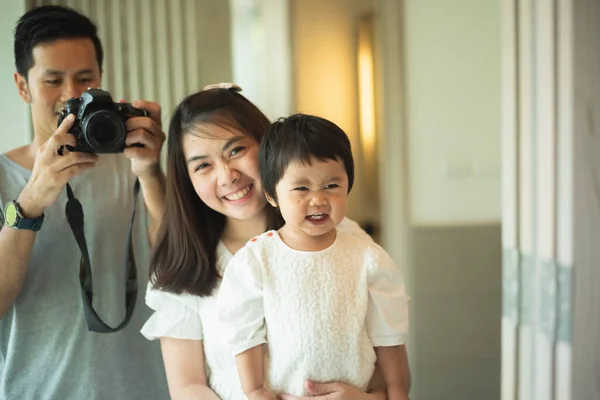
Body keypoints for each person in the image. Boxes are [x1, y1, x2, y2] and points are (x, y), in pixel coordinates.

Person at [141, 85, 410, 399]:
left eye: (236, 151)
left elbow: (384, 359)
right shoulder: (182, 262)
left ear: (268, 147)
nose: (227, 176)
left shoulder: (346, 240)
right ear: (187, 179)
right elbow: (187, 387)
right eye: (203, 166)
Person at [0, 5, 169, 399]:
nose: (71, 95)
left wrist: (151, 172)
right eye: (52, 80)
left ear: (100, 80)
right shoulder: (5, 178)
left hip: (144, 387)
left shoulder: (132, 162)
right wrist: (30, 201)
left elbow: (178, 262)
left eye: (84, 78)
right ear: (23, 86)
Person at [215, 113, 410, 399]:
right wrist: (254, 390)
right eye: (301, 188)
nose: (318, 199)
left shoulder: (368, 258)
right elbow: (243, 331)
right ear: (272, 194)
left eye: (332, 186)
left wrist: (397, 392)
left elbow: (389, 336)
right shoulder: (257, 260)